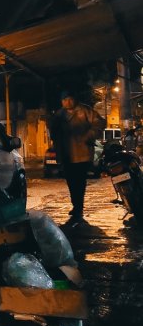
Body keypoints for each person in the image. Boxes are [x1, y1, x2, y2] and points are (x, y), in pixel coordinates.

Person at [48, 91, 105, 227]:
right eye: (64, 99)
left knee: (79, 181)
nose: (66, 102)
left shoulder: (85, 111)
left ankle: (78, 207)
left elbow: (99, 123)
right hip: (66, 154)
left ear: (74, 99)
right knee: (71, 182)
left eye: (69, 98)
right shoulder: (59, 114)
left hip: (82, 153)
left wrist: (88, 136)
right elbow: (53, 131)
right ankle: (76, 205)